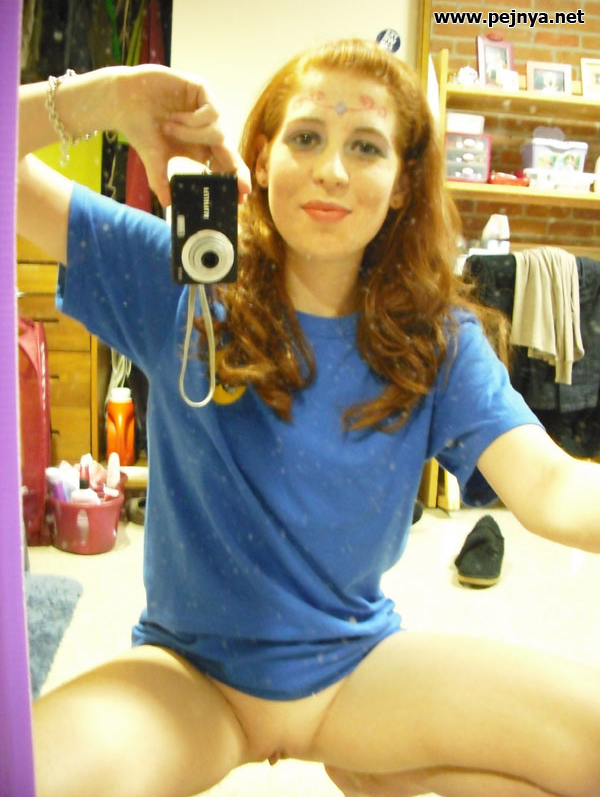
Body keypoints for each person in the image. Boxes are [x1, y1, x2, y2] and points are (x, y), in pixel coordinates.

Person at [17, 38, 600, 797]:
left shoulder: (436, 339)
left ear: (402, 184)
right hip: (189, 677)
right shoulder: (182, 279)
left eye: (365, 147)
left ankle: (384, 767)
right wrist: (106, 98)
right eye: (306, 137)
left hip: (357, 671)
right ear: (260, 160)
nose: (331, 170)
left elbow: (551, 487)